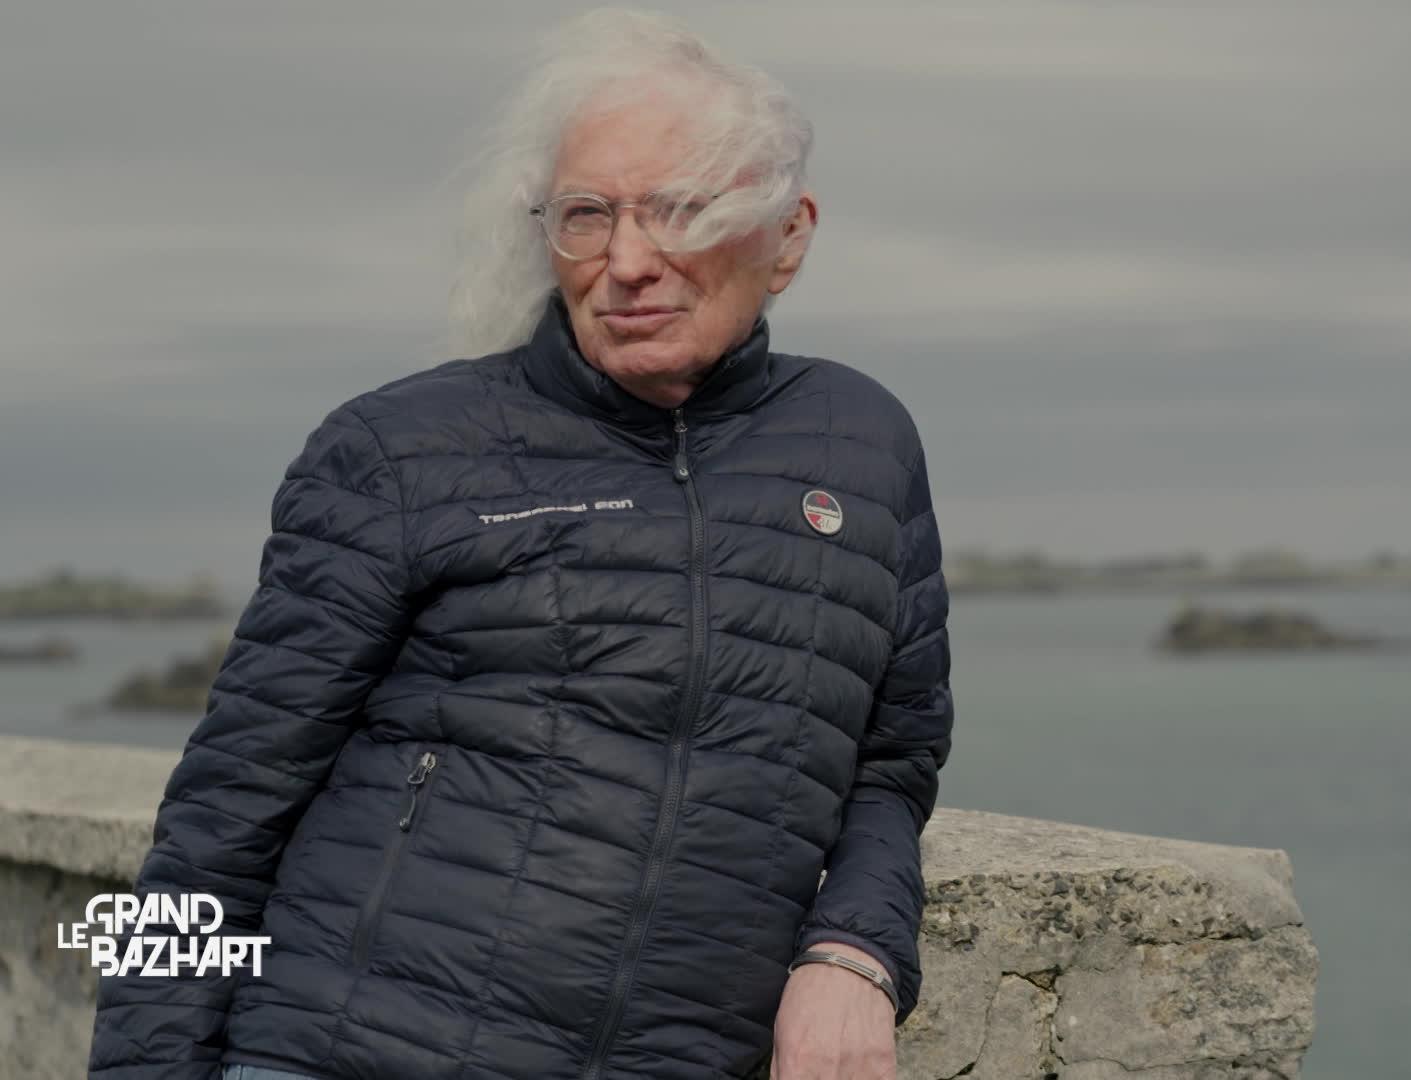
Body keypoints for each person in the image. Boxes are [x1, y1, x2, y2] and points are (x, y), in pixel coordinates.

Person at [87, 10, 953, 1080]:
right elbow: (219, 814)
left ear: (788, 234)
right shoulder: (400, 448)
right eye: (586, 214)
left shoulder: (862, 444)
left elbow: (889, 766)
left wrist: (855, 951)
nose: (627, 260)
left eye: (680, 210)